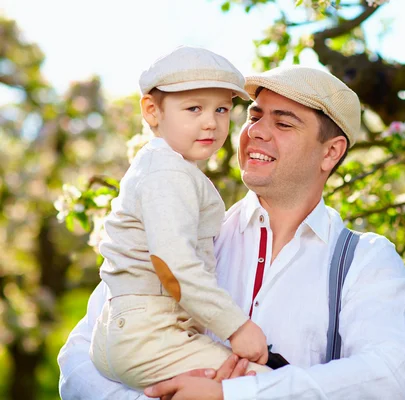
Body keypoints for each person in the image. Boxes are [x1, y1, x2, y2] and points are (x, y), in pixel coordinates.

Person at [58, 65, 405, 400]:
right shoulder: (188, 227)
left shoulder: (365, 261)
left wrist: (235, 395)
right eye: (254, 115)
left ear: (331, 152)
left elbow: (390, 378)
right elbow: (78, 361)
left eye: (283, 123)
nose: (256, 131)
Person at [88, 46, 270, 390]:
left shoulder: (162, 165)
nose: (211, 122)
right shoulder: (168, 172)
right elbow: (173, 264)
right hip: (150, 334)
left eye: (221, 109)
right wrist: (237, 327)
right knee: (266, 388)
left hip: (127, 329)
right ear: (152, 111)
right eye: (194, 108)